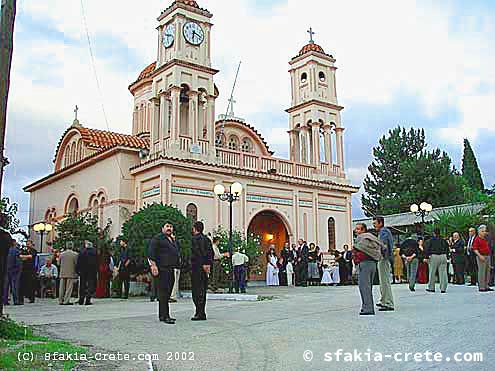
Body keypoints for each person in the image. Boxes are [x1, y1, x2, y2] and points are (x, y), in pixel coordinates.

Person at [148, 222, 180, 324]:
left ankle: (166, 315)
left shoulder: (172, 239)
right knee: (163, 293)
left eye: (170, 227)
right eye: (167, 226)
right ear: (162, 228)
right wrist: (153, 266)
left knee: (168, 292)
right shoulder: (158, 238)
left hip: (170, 269)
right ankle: (164, 316)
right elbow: (151, 252)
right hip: (161, 269)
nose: (169, 228)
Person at [353, 223, 383, 316]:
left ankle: (367, 308)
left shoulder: (362, 239)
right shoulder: (372, 238)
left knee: (364, 287)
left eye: (358, 229)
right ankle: (367, 306)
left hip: (364, 264)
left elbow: (360, 250)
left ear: (363, 230)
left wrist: (355, 254)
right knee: (368, 286)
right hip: (373, 264)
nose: (356, 231)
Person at [191, 221, 213, 321]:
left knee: (196, 291)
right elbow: (210, 253)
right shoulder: (207, 239)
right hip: (205, 268)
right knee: (203, 291)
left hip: (196, 268)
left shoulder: (194, 239)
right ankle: (202, 312)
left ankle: (199, 312)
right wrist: (207, 264)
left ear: (195, 228)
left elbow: (195, 253)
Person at [373, 217, 395, 311]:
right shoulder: (384, 231)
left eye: (375, 223)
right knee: (383, 281)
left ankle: (388, 303)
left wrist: (380, 255)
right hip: (383, 258)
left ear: (380, 223)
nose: (374, 225)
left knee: (385, 281)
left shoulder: (383, 232)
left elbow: (383, 245)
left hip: (383, 259)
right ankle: (383, 300)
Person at [424, 228, 449, 293]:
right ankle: (443, 288)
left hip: (434, 256)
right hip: (443, 256)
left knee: (432, 272)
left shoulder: (431, 240)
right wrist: (447, 257)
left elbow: (427, 249)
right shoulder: (444, 240)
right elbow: (447, 248)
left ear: (434, 233)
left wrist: (426, 257)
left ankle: (431, 287)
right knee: (443, 273)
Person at [472, 225, 493, 292]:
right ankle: (481, 287)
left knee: (487, 271)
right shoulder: (477, 239)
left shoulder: (486, 238)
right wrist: (480, 256)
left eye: (485, 231)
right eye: (483, 231)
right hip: (481, 256)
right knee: (482, 271)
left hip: (488, 256)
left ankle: (486, 285)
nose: (484, 232)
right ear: (479, 232)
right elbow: (475, 249)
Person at [76, 240, 98, 305]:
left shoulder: (82, 251)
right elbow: (97, 262)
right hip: (91, 271)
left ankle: (81, 300)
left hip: (83, 271)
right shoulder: (94, 252)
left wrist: (77, 270)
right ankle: (88, 300)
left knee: (82, 285)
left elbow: (78, 262)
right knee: (90, 285)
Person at [3, 240, 22, 305]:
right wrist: (19, 268)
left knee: (5, 287)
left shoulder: (5, 250)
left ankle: (5, 300)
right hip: (14, 270)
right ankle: (16, 301)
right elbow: (18, 261)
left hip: (6, 270)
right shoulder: (16, 251)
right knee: (14, 286)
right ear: (14, 243)